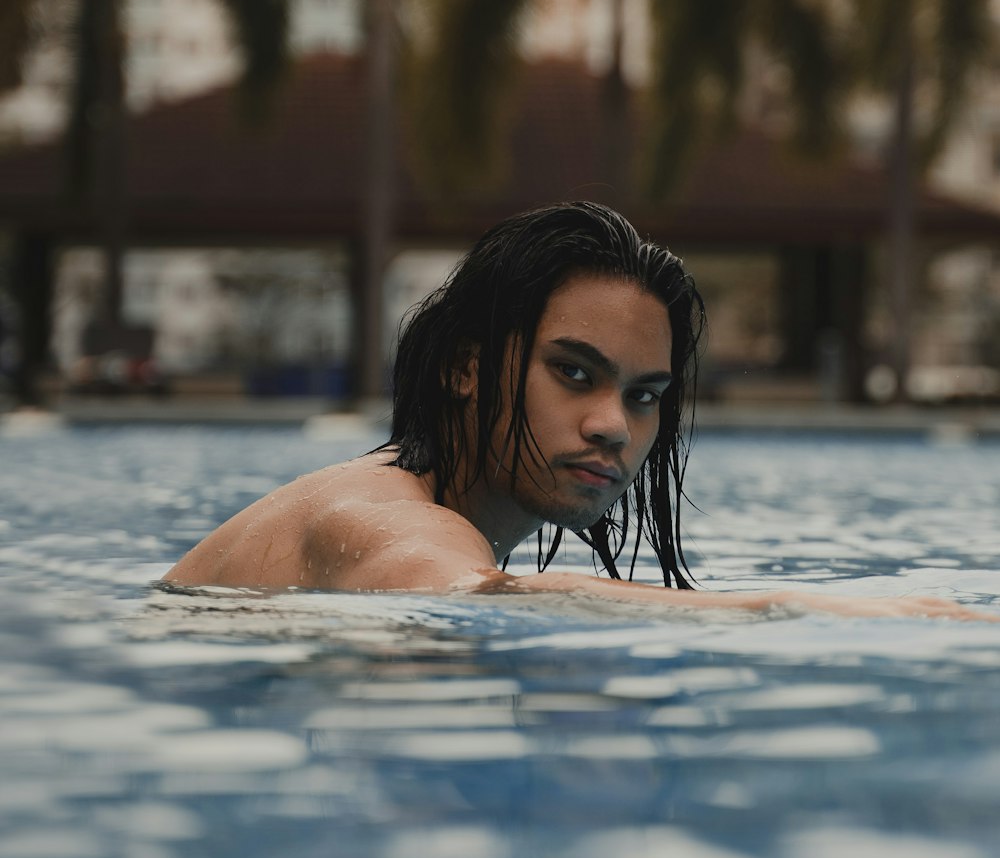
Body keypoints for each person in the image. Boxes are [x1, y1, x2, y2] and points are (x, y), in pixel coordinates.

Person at [164, 202, 991, 621]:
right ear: (465, 368)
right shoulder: (379, 514)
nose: (613, 426)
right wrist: (828, 609)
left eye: (644, 396)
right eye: (574, 373)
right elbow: (470, 594)